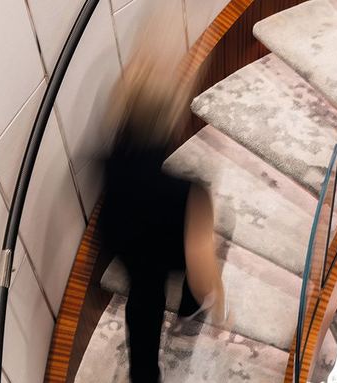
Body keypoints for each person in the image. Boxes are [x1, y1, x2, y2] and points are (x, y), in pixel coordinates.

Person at [97, 5, 226, 382]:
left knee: (145, 297)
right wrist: (216, 299)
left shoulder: (109, 159)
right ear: (170, 120)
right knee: (193, 265)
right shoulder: (191, 192)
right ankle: (189, 314)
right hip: (166, 240)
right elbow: (202, 271)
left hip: (123, 237)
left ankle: (143, 374)